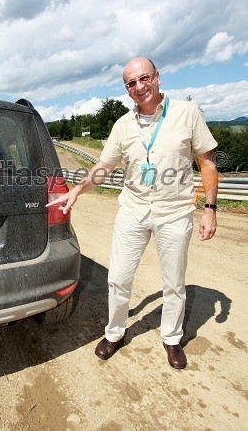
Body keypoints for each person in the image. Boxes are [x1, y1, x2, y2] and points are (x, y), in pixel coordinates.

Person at [46, 57, 218, 369]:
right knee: (119, 278)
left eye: (144, 78)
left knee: (174, 283)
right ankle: (114, 333)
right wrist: (76, 191)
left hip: (175, 212)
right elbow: (104, 167)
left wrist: (210, 209)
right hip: (133, 211)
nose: (139, 86)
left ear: (157, 77)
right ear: (127, 90)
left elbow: (207, 162)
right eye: (131, 83)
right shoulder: (123, 125)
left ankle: (172, 338)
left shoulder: (187, 112)